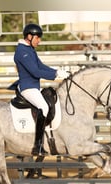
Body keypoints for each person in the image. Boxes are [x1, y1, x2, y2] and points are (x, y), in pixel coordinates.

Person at [13, 23, 69, 156]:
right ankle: (37, 146)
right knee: (44, 107)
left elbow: (41, 66)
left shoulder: (30, 50)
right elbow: (35, 71)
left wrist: (57, 71)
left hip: (34, 87)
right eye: (37, 37)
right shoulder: (22, 52)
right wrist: (55, 75)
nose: (39, 40)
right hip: (27, 87)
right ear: (29, 36)